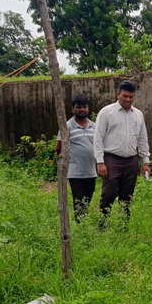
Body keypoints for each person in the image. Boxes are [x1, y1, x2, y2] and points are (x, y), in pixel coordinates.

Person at [94, 81, 151, 229]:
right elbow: (98, 137)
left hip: (131, 160)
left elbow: (143, 138)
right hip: (111, 159)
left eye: (131, 97)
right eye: (124, 96)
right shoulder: (107, 112)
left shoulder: (138, 115)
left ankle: (123, 226)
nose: (127, 100)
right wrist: (100, 161)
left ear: (134, 96)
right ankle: (103, 225)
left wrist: (146, 161)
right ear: (117, 94)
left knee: (127, 195)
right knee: (109, 193)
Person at [56, 94, 97, 223]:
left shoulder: (94, 126)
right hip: (75, 172)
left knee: (88, 198)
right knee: (79, 199)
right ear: (73, 109)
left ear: (88, 108)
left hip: (91, 171)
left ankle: (83, 222)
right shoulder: (66, 126)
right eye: (78, 107)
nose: (82, 110)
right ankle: (80, 224)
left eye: (84, 107)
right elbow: (58, 149)